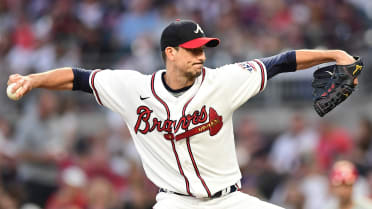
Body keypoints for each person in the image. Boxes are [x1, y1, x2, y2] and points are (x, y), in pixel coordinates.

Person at [7, 19, 359, 209]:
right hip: (176, 203)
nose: (201, 56)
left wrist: (335, 53)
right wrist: (35, 79)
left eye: (203, 49)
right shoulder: (133, 88)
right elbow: (77, 77)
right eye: (192, 50)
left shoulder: (225, 80)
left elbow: (282, 61)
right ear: (170, 53)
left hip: (230, 200)